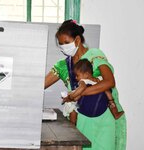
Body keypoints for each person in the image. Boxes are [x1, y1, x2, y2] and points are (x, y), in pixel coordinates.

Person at [45, 19, 126, 150]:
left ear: (77, 40)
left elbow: (109, 82)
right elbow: (41, 85)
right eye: (60, 44)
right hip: (81, 119)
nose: (63, 47)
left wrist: (78, 93)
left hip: (102, 118)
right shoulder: (63, 66)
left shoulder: (95, 55)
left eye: (66, 43)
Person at [62, 59, 124, 125]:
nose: (76, 78)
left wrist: (71, 97)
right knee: (107, 92)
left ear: (86, 74)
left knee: (71, 105)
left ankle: (72, 124)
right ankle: (115, 113)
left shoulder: (83, 81)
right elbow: (107, 91)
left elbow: (82, 88)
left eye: (77, 75)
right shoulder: (99, 80)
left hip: (86, 108)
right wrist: (110, 99)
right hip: (100, 109)